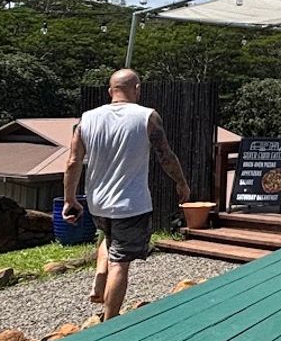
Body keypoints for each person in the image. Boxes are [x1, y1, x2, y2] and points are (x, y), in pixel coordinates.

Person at [62, 69, 190, 319]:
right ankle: (110, 322)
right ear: (138, 89)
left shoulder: (87, 118)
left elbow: (73, 161)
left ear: (110, 91)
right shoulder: (147, 117)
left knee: (108, 236)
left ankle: (100, 279)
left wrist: (70, 199)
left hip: (98, 203)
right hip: (131, 205)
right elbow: (166, 157)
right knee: (120, 263)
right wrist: (181, 183)